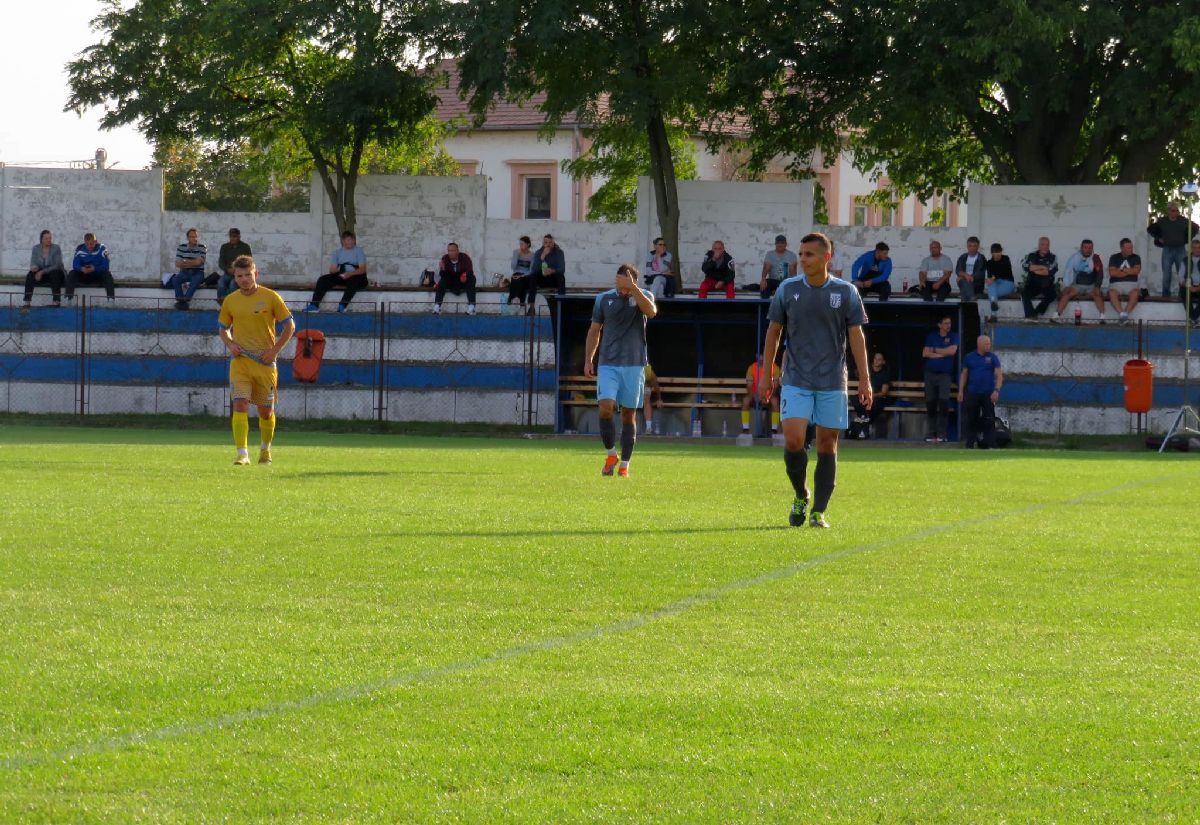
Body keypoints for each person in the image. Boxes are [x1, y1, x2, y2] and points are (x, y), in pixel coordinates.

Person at [761, 231, 871, 529]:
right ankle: (801, 494)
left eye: (809, 254)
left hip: (832, 380)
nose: (803, 259)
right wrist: (767, 372)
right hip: (796, 377)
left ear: (826, 257)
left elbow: (856, 336)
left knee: (826, 445)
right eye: (801, 253)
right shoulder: (787, 289)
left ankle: (819, 512)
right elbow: (773, 331)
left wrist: (865, 379)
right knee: (794, 439)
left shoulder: (846, 292)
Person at [218, 255, 295, 466]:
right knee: (240, 403)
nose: (244, 279)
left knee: (265, 411)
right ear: (234, 277)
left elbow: (290, 326)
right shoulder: (230, 300)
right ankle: (242, 454)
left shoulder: (270, 297)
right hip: (241, 362)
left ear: (256, 274)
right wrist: (231, 344)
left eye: (248, 275)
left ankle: (265, 449)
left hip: (265, 363)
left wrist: (274, 350)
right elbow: (223, 329)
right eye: (239, 276)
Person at [584, 263, 658, 477]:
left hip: (634, 365)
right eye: (618, 280)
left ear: (633, 280)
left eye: (623, 281)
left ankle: (624, 465)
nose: (619, 285)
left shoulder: (644, 296)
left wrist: (633, 289)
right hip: (608, 363)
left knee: (628, 414)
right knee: (605, 407)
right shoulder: (603, 299)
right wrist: (589, 359)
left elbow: (651, 312)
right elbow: (594, 330)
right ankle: (610, 453)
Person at [958, 335, 1003, 449]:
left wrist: (996, 390)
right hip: (973, 393)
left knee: (989, 418)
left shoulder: (993, 358)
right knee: (972, 418)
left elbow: (999, 375)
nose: (989, 346)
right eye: (986, 344)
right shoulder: (969, 357)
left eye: (989, 344)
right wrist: (961, 391)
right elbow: (964, 374)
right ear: (979, 345)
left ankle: (992, 444)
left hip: (988, 393)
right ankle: (970, 444)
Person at [306, 230, 367, 313]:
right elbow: (332, 270)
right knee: (323, 279)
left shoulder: (359, 251)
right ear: (343, 241)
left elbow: (362, 269)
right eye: (348, 240)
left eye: (351, 240)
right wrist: (341, 270)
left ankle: (342, 305)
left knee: (354, 281)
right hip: (343, 275)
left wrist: (350, 273)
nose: (350, 242)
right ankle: (314, 305)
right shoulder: (337, 252)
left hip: (357, 276)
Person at [1148, 201, 1200, 297]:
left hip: (1180, 249)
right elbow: (1150, 229)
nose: (1175, 213)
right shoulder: (1162, 221)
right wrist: (1158, 237)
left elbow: (1196, 227)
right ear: (1168, 211)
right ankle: (1165, 295)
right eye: (1173, 210)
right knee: (1166, 273)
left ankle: (1182, 294)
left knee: (1183, 273)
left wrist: (1187, 238)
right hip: (1167, 249)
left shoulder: (1183, 220)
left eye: (1177, 211)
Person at [922, 315, 958, 443]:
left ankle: (942, 435)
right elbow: (925, 353)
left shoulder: (953, 336)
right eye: (946, 323)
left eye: (949, 323)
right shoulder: (932, 336)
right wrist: (942, 353)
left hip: (945, 375)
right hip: (930, 374)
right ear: (940, 325)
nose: (948, 325)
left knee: (943, 403)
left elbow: (952, 351)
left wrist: (935, 351)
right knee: (930, 404)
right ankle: (931, 434)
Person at [1055, 239, 1106, 323]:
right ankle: (1056, 315)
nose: (1088, 250)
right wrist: (1067, 286)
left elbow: (1100, 273)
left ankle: (1102, 317)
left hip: (1091, 285)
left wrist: (1097, 286)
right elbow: (1068, 272)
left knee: (1097, 294)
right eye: (1085, 247)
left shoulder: (1096, 258)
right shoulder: (1074, 257)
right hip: (1077, 285)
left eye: (1090, 248)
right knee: (1067, 293)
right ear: (1081, 248)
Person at [849, 351, 891, 439]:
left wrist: (871, 396)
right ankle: (863, 418)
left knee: (875, 404)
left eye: (879, 359)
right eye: (875, 359)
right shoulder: (867, 371)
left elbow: (884, 392)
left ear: (883, 362)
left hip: (877, 397)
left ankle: (863, 421)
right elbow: (858, 376)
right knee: (855, 399)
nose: (876, 361)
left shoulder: (885, 374)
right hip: (865, 396)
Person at [65, 232, 115, 303]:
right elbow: (75, 265)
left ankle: (111, 299)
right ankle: (68, 299)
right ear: (84, 242)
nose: (89, 246)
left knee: (107, 274)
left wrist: (95, 268)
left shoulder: (102, 248)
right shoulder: (79, 248)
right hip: (84, 275)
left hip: (97, 275)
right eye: (87, 244)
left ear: (95, 242)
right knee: (72, 273)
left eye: (91, 244)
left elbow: (106, 266)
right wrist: (81, 269)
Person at [432, 242, 477, 315]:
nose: (450, 253)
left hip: (462, 280)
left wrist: (465, 275)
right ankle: (437, 306)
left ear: (457, 251)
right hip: (451, 281)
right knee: (442, 281)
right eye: (449, 251)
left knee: (472, 279)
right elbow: (443, 275)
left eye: (452, 251)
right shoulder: (445, 258)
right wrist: (443, 269)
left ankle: (472, 307)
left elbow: (470, 271)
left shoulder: (465, 257)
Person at [24, 229, 65, 308]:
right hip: (42, 274)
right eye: (46, 238)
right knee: (30, 275)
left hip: (56, 272)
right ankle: (27, 302)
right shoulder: (36, 248)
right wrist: (34, 267)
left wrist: (41, 272)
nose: (49, 240)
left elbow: (57, 265)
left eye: (50, 238)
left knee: (55, 273)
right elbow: (33, 262)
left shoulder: (56, 248)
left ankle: (56, 301)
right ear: (41, 239)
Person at [742, 355, 781, 436]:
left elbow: (776, 385)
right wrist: (755, 396)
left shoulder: (775, 367)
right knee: (745, 401)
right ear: (757, 356)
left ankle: (774, 430)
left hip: (769, 395)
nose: (762, 358)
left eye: (764, 355)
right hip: (755, 394)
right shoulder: (751, 368)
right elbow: (749, 386)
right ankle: (745, 429)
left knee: (775, 402)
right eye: (761, 355)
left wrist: (768, 396)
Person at [1020, 236, 1058, 319]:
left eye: (1047, 245)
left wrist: (1034, 269)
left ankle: (1036, 312)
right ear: (1039, 245)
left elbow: (1048, 272)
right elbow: (1025, 266)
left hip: (1047, 284)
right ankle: (1030, 315)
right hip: (1033, 284)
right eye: (1043, 244)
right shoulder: (1031, 255)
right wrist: (1043, 267)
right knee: (1024, 294)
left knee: (1052, 295)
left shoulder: (1053, 257)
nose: (1045, 247)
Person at [1107, 237, 1142, 324]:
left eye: (1131, 247)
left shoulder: (1136, 257)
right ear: (1122, 248)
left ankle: (1125, 314)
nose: (1131, 249)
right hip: (1116, 284)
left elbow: (1136, 271)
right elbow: (1112, 273)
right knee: (1112, 293)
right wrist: (1129, 271)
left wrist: (1121, 270)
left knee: (1135, 293)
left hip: (1132, 284)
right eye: (1128, 248)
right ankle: (1122, 314)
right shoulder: (1114, 257)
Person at [172, 228, 207, 310]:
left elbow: (200, 263)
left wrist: (185, 262)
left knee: (197, 279)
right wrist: (194, 262)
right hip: (184, 272)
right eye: (192, 237)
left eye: (196, 236)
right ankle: (181, 300)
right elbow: (177, 264)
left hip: (198, 272)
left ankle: (185, 300)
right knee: (175, 279)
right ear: (187, 238)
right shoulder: (181, 247)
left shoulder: (202, 247)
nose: (194, 238)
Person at [529, 234, 566, 310]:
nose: (548, 244)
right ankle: (531, 307)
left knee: (561, 277)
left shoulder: (559, 252)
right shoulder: (538, 253)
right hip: (542, 279)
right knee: (533, 277)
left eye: (550, 242)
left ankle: (562, 306)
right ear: (543, 243)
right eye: (546, 242)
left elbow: (562, 269)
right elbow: (534, 270)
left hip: (553, 279)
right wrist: (542, 257)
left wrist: (552, 271)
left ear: (553, 243)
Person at [981, 242, 1016, 322]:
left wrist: (993, 277)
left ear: (1001, 252)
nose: (997, 254)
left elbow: (1005, 271)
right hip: (996, 284)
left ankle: (993, 314)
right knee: (991, 286)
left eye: (998, 252)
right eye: (994, 252)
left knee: (991, 292)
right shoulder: (989, 263)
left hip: (1007, 283)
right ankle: (994, 303)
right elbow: (990, 276)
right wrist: (989, 279)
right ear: (991, 253)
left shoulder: (1006, 258)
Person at [215, 228, 252, 301]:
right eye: (231, 236)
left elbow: (249, 262)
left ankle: (232, 303)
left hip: (240, 274)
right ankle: (222, 303)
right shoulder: (224, 247)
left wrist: (238, 270)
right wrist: (227, 269)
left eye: (234, 236)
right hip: (228, 273)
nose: (232, 238)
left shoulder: (245, 247)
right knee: (220, 283)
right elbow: (221, 262)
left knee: (233, 284)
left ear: (239, 237)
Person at [759, 234, 798, 299]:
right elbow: (766, 267)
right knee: (765, 284)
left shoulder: (792, 255)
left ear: (786, 244)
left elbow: (794, 272)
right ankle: (764, 306)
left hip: (786, 281)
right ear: (775, 244)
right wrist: (763, 279)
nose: (780, 245)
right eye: (778, 243)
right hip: (774, 281)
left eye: (782, 243)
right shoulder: (770, 254)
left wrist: (794, 282)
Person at [955, 236, 987, 303]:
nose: (972, 248)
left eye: (974, 246)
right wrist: (966, 275)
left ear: (978, 247)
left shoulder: (981, 258)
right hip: (964, 281)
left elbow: (980, 274)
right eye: (970, 246)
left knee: (964, 289)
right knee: (964, 282)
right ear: (967, 246)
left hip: (976, 284)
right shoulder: (963, 257)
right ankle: (972, 299)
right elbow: (958, 270)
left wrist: (965, 277)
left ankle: (965, 309)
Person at [507, 235, 535, 308]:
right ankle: (519, 302)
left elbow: (531, 270)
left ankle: (513, 299)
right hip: (517, 273)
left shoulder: (532, 255)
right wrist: (517, 255)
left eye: (522, 244)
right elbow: (513, 267)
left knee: (520, 280)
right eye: (520, 244)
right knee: (515, 279)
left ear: (528, 244)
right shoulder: (516, 252)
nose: (520, 245)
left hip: (526, 275)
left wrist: (522, 275)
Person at [642, 363, 664, 435]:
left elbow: (656, 385)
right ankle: (629, 427)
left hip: (644, 388)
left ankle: (648, 428)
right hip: (631, 389)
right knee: (630, 403)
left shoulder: (647, 370)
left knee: (646, 401)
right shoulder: (628, 368)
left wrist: (659, 399)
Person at [1183, 238, 1200, 327]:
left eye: (1199, 248)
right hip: (1188, 286)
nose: (1197, 250)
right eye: (1195, 248)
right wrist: (1189, 286)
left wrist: (1198, 288)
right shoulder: (1185, 260)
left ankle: (1193, 318)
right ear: (1191, 249)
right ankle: (1195, 319)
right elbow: (1181, 277)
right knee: (1184, 292)